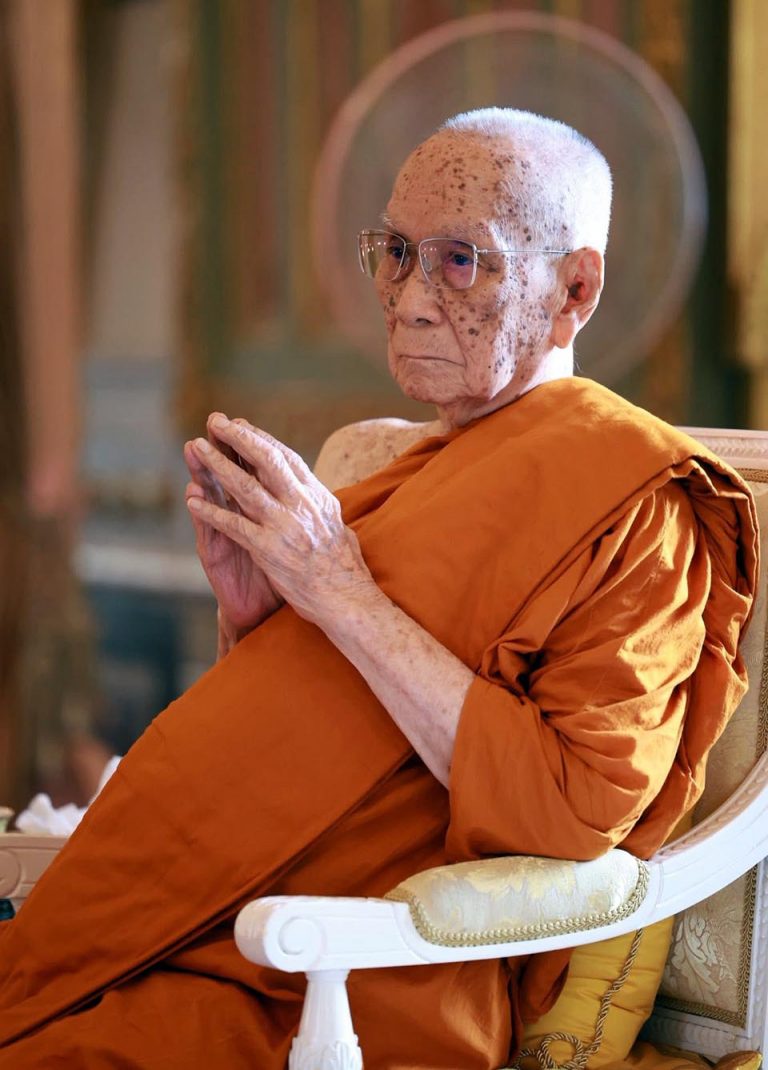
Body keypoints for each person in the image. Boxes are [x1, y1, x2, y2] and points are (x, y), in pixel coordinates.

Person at [0, 109, 757, 1069]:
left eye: (459, 261)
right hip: (196, 919)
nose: (407, 299)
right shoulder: (403, 472)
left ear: (575, 288)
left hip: (344, 973)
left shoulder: (636, 504)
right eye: (395, 253)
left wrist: (341, 592)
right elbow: (310, 741)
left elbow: (572, 812)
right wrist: (258, 619)